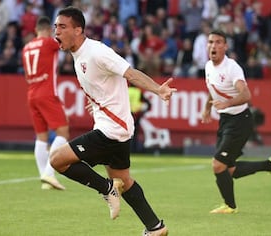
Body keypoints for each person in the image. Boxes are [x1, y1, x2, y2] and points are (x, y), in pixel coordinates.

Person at [50, 6, 176, 236]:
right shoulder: (79, 56)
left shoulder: (97, 52)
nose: (56, 31)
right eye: (55, 26)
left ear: (78, 30)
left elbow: (131, 73)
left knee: (57, 160)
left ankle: (107, 189)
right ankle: (155, 227)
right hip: (117, 128)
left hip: (112, 130)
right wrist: (96, 103)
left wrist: (158, 90)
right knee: (124, 180)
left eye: (62, 26)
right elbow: (104, 86)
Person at [201, 29, 271, 214]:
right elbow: (212, 88)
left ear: (225, 46)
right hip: (226, 120)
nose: (213, 46)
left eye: (218, 42)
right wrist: (207, 107)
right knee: (228, 170)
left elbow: (246, 94)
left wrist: (227, 103)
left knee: (217, 165)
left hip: (240, 121)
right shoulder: (208, 66)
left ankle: (230, 207)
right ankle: (270, 165)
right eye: (210, 42)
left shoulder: (232, 68)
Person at [21, 16, 69, 190]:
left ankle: (44, 178)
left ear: (35, 30)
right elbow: (66, 44)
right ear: (49, 30)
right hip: (46, 92)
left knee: (41, 136)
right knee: (62, 131)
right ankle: (49, 173)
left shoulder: (26, 47)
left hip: (31, 92)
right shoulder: (49, 43)